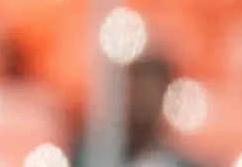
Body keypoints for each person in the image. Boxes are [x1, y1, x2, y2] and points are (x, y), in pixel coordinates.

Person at [69, 54, 205, 167]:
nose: (142, 98)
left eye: (150, 91)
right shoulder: (87, 155)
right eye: (136, 87)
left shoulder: (180, 162)